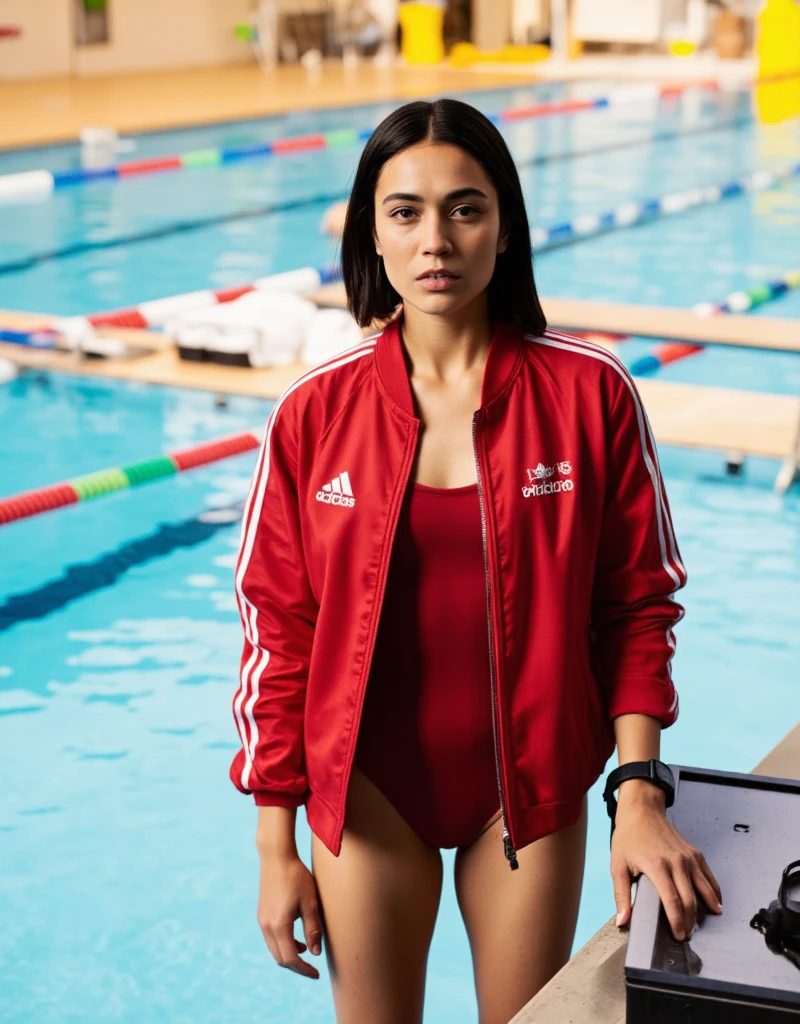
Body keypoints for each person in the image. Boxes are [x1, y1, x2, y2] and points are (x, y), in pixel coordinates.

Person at [229, 97, 724, 1024]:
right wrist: (273, 844)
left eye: (465, 208)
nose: (436, 241)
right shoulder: (313, 412)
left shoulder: (591, 393)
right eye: (405, 211)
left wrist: (638, 793)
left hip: (526, 791)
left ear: (505, 227)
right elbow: (278, 631)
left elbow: (637, 607)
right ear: (372, 235)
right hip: (368, 792)